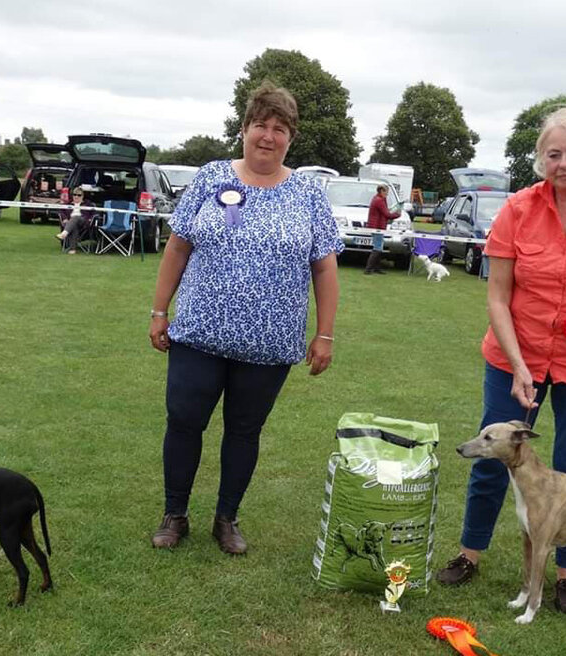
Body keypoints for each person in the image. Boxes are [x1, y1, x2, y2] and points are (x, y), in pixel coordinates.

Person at [436, 106, 566, 614]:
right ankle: (470, 554)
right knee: (492, 456)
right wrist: (518, 363)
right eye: (553, 154)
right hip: (516, 353)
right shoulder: (518, 209)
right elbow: (497, 296)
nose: (564, 163)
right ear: (540, 160)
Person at [147, 81, 342, 555]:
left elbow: (325, 266)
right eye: (261, 125)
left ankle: (227, 518)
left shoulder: (309, 195)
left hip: (270, 345)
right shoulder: (212, 177)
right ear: (244, 130)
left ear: (290, 138)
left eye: (280, 129)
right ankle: (175, 514)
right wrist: (159, 310)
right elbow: (178, 246)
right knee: (184, 422)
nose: (268, 137)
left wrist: (325, 334)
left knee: (244, 431)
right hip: (198, 334)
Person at [365, 184, 400, 274]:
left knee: (379, 247)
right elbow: (387, 214)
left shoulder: (378, 199)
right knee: (377, 247)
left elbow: (385, 212)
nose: (387, 194)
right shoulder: (379, 200)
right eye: (386, 192)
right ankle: (368, 269)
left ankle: (376, 268)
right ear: (381, 191)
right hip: (377, 227)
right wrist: (397, 214)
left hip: (378, 226)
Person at [56, 187, 92, 254]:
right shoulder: (67, 204)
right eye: (74, 194)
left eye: (79, 195)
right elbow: (60, 211)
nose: (76, 196)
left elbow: (95, 212)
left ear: (82, 196)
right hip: (69, 223)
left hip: (83, 222)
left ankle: (64, 234)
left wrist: (90, 219)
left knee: (76, 217)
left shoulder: (88, 204)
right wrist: (64, 219)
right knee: (74, 226)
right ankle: (73, 249)